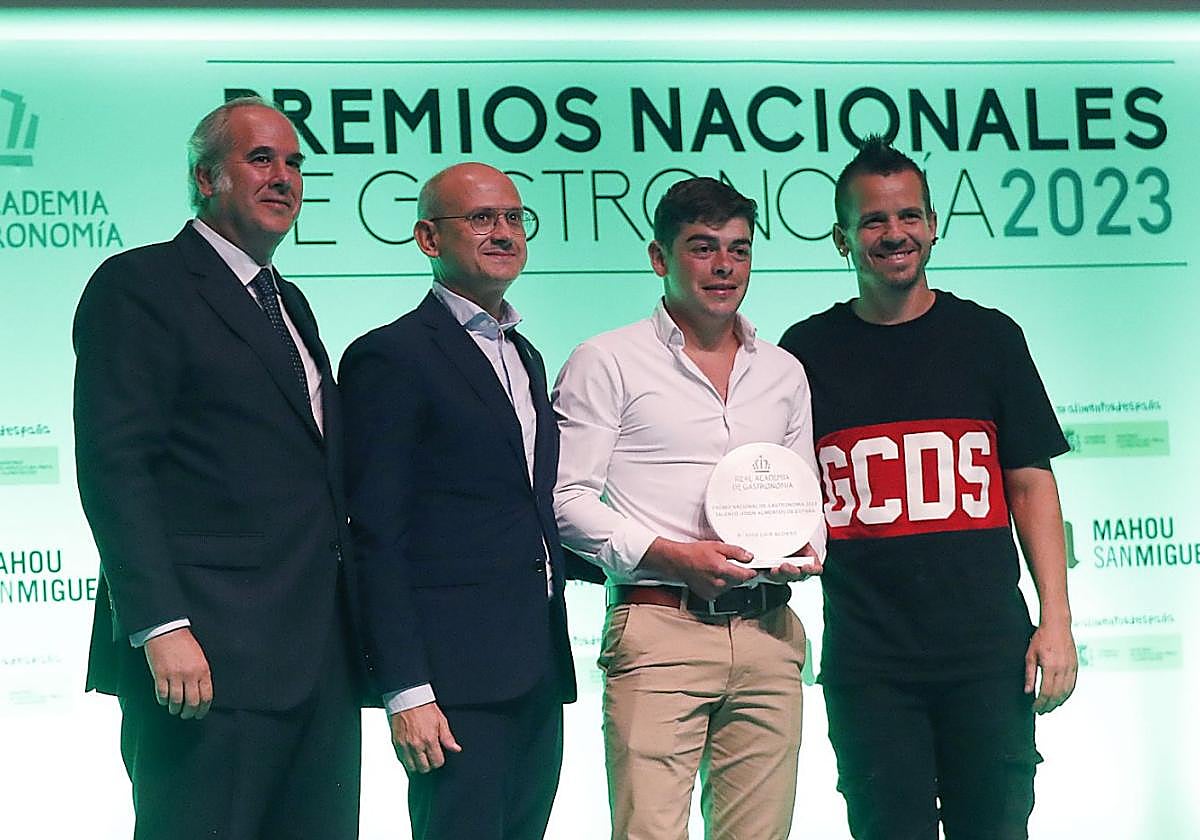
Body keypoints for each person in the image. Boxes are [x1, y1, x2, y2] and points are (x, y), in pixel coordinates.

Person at [74, 96, 363, 840]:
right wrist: (159, 624)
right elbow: (116, 465)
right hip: (204, 660)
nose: (285, 176)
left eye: (295, 162)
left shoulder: (290, 302)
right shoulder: (140, 285)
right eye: (261, 158)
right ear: (206, 178)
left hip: (316, 662)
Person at [778, 136, 1077, 840]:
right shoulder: (804, 353)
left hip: (988, 656)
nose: (894, 234)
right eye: (873, 221)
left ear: (934, 224)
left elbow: (1031, 485)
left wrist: (1055, 621)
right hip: (869, 664)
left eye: (908, 216)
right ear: (841, 239)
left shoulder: (990, 338)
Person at [553, 177, 825, 840]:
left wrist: (805, 548)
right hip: (659, 628)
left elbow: (805, 495)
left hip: (768, 633)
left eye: (738, 249)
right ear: (659, 258)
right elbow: (563, 501)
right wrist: (670, 555)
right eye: (703, 248)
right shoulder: (606, 359)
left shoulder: (784, 370)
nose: (725, 265)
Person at [339, 162, 576, 840]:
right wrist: (406, 689)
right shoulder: (391, 356)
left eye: (513, 217)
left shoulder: (524, 354)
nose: (503, 232)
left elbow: (522, 511)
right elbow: (376, 534)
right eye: (480, 218)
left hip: (535, 669)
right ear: (427, 239)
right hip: (451, 684)